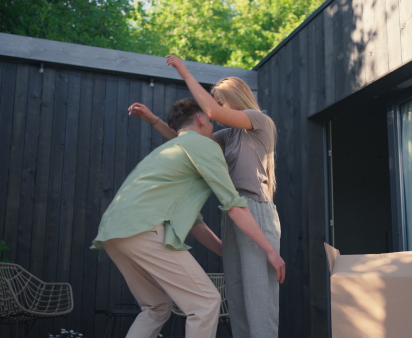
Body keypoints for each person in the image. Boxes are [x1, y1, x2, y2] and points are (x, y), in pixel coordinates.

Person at [92, 98, 285, 338]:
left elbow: (196, 224)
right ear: (202, 119)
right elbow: (234, 206)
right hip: (145, 230)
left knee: (155, 308)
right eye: (213, 122)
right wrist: (270, 251)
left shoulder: (169, 151)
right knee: (205, 303)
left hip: (114, 234)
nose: (215, 129)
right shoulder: (204, 147)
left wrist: (229, 251)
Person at [129, 55, 282, 338]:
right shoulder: (229, 135)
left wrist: (184, 70)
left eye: (222, 101)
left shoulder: (258, 121)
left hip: (256, 210)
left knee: (259, 301)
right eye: (217, 102)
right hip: (235, 214)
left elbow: (209, 112)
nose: (218, 107)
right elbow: (186, 139)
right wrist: (154, 120)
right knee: (237, 300)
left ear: (237, 98)